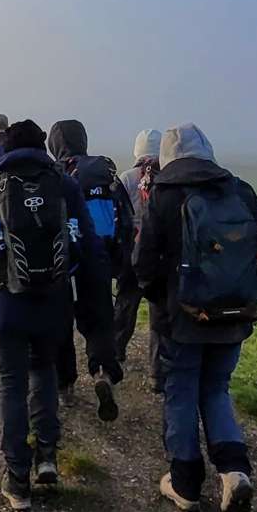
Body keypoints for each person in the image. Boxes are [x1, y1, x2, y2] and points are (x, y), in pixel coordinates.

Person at [0, 119, 112, 511]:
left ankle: (18, 479)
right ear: (43, 149)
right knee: (44, 372)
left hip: (6, 303)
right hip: (53, 303)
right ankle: (47, 456)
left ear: (8, 150)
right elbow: (90, 247)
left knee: (11, 383)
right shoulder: (64, 186)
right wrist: (97, 302)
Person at [132, 123, 257, 512]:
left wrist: (163, 301)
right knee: (217, 388)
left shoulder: (164, 195)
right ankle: (234, 471)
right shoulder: (240, 191)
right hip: (235, 314)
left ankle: (185, 482)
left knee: (182, 390)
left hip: (183, 319)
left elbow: (143, 263)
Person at [47, 119, 132, 420]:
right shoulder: (105, 171)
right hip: (100, 259)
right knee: (99, 323)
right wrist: (118, 262)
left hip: (66, 261)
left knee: (61, 323)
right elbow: (126, 219)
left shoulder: (56, 175)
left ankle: (65, 385)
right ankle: (102, 373)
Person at [117, 129, 163, 391]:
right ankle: (157, 372)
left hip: (131, 251)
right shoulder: (167, 178)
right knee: (159, 313)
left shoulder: (126, 178)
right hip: (159, 255)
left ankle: (115, 355)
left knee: (126, 304)